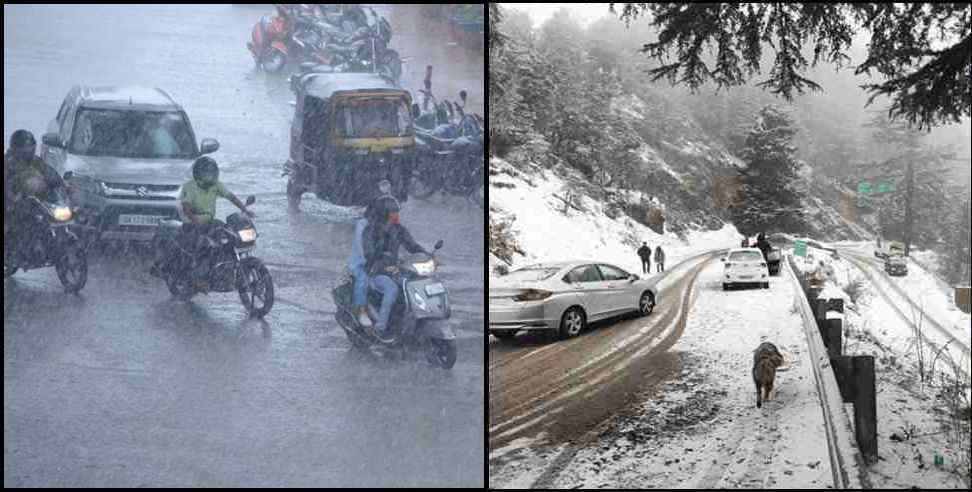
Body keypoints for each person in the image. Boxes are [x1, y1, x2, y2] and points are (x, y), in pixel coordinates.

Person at [154, 157, 254, 285]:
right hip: (191, 224)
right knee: (204, 245)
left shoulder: (216, 185)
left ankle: (225, 267)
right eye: (206, 174)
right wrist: (194, 219)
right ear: (198, 174)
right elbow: (186, 207)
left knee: (230, 235)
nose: (209, 177)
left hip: (210, 222)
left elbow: (231, 197)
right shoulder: (189, 187)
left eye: (212, 174)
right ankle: (199, 276)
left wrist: (244, 209)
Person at [362, 195, 429, 342]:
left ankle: (411, 322)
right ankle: (380, 328)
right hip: (375, 273)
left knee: (416, 285)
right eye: (394, 212)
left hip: (395, 271)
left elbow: (412, 246)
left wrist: (428, 255)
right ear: (385, 214)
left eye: (397, 212)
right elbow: (369, 253)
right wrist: (381, 255)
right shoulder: (370, 231)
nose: (397, 215)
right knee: (391, 289)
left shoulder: (399, 230)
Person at [4, 130, 67, 262]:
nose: (28, 150)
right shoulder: (8, 164)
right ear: (16, 148)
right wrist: (13, 197)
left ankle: (47, 247)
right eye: (24, 147)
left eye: (30, 146)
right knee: (24, 224)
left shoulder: (36, 161)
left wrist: (63, 186)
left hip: (37, 201)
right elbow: (7, 184)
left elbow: (50, 174)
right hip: (14, 205)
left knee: (51, 218)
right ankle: (16, 253)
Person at [347, 182, 394, 328]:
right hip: (362, 264)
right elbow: (363, 249)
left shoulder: (387, 226)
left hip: (380, 265)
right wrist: (373, 259)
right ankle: (361, 310)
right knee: (363, 278)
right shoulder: (363, 225)